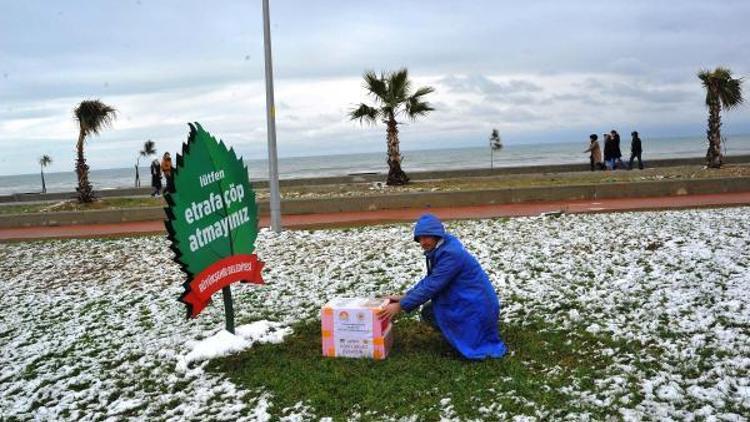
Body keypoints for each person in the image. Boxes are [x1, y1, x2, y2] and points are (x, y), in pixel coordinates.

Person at [377, 214, 507, 360]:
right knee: (430, 311)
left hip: (475, 305)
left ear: (436, 235)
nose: (422, 242)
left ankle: (467, 342)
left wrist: (401, 306)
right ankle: (460, 337)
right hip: (469, 299)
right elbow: (432, 279)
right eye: (420, 238)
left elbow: (432, 285)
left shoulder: (451, 254)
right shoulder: (442, 248)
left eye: (427, 237)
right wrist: (406, 296)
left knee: (432, 312)